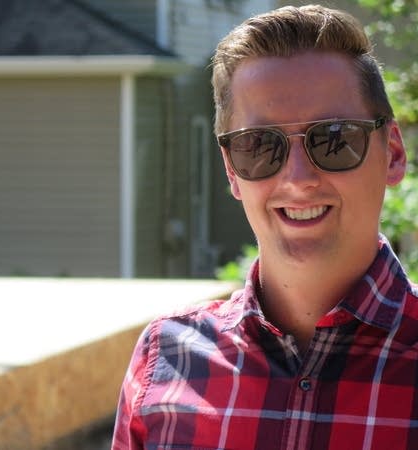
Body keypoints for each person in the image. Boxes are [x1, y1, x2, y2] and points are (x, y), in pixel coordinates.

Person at [111, 4, 417, 450]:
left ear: (392, 153)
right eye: (259, 145)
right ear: (232, 171)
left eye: (334, 137)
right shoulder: (166, 359)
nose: (297, 179)